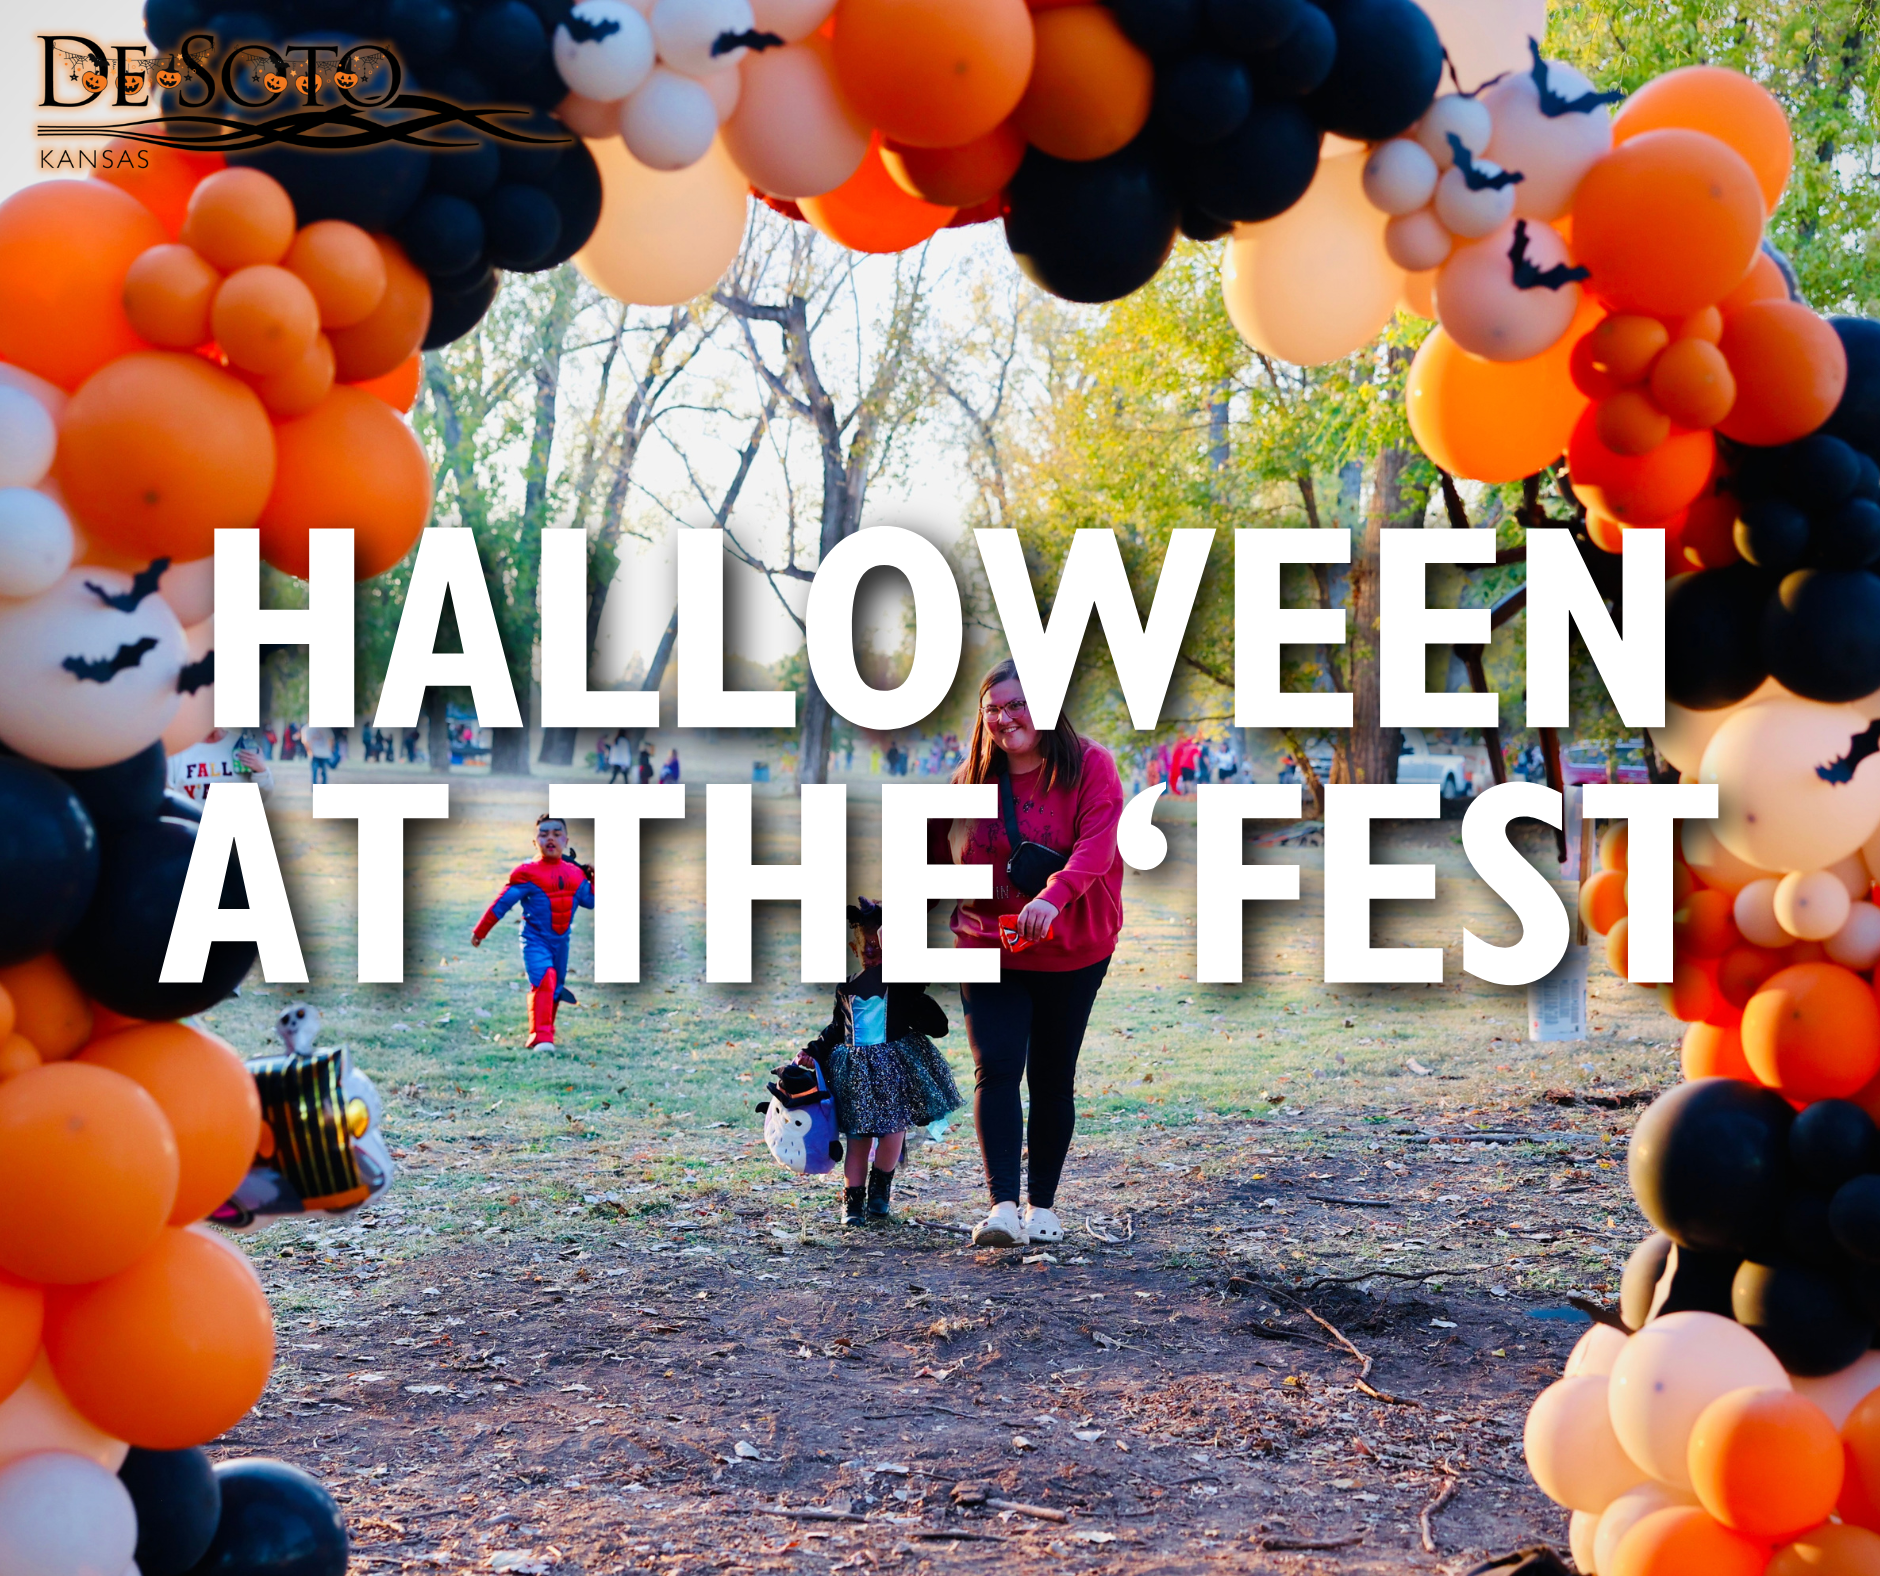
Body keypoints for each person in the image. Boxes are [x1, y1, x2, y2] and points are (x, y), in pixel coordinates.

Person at [929, 659, 1125, 1250]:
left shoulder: (1090, 765)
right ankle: (1002, 1209)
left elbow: (1097, 844)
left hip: (1072, 948)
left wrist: (1055, 896)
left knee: (1050, 1077)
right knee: (998, 1067)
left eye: (1018, 705)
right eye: (994, 709)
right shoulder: (968, 784)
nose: (1006, 718)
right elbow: (932, 863)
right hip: (987, 946)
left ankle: (1042, 1208)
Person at [797, 898, 960, 1227]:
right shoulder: (847, 987)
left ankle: (880, 1191)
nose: (871, 953)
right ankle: (852, 1203)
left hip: (894, 1070)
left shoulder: (902, 984)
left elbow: (926, 1002)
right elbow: (836, 1028)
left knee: (893, 1133)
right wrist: (813, 1050)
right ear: (852, 949)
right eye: (864, 947)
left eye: (878, 945)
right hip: (857, 1074)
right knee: (858, 1138)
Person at [471, 814, 594, 1049]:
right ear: (534, 842)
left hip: (561, 942)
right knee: (544, 980)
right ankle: (541, 1036)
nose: (550, 838)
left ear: (566, 840)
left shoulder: (576, 873)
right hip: (534, 939)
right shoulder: (527, 873)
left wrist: (595, 877)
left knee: (555, 986)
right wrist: (481, 931)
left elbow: (590, 901)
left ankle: (548, 1028)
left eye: (557, 834)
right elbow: (502, 903)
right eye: (543, 834)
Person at [169, 728, 274, 804]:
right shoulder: (178, 750)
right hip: (191, 829)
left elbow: (263, 796)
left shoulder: (242, 744)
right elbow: (166, 799)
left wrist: (261, 771)